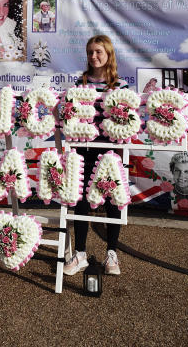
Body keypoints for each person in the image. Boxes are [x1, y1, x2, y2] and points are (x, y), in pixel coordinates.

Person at [63, 35, 124, 278]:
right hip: (82, 150)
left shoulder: (120, 87)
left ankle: (112, 253)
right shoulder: (80, 84)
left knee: (112, 199)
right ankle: (79, 254)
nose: (93, 56)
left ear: (108, 54)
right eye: (90, 52)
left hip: (108, 151)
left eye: (98, 51)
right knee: (81, 200)